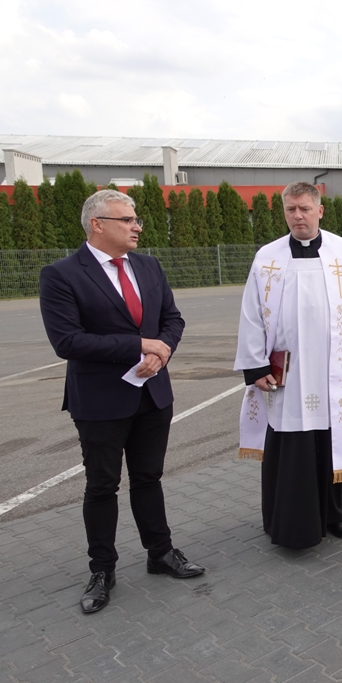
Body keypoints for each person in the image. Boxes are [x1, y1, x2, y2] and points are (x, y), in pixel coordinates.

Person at [39, 189, 204, 614]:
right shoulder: (61, 275)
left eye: (136, 219)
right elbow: (67, 341)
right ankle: (102, 570)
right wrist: (138, 345)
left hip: (153, 393)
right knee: (102, 485)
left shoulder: (148, 266)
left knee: (149, 478)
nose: (137, 227)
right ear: (97, 224)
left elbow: (172, 319)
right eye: (127, 220)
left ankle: (160, 553)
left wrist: (162, 351)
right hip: (100, 400)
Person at [234, 181, 342, 549]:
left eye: (305, 208)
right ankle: (283, 519)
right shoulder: (267, 257)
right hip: (287, 372)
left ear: (320, 210)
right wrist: (255, 367)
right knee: (289, 443)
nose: (298, 216)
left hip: (332, 369)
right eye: (291, 209)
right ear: (284, 212)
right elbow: (251, 314)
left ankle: (335, 515)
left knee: (331, 441)